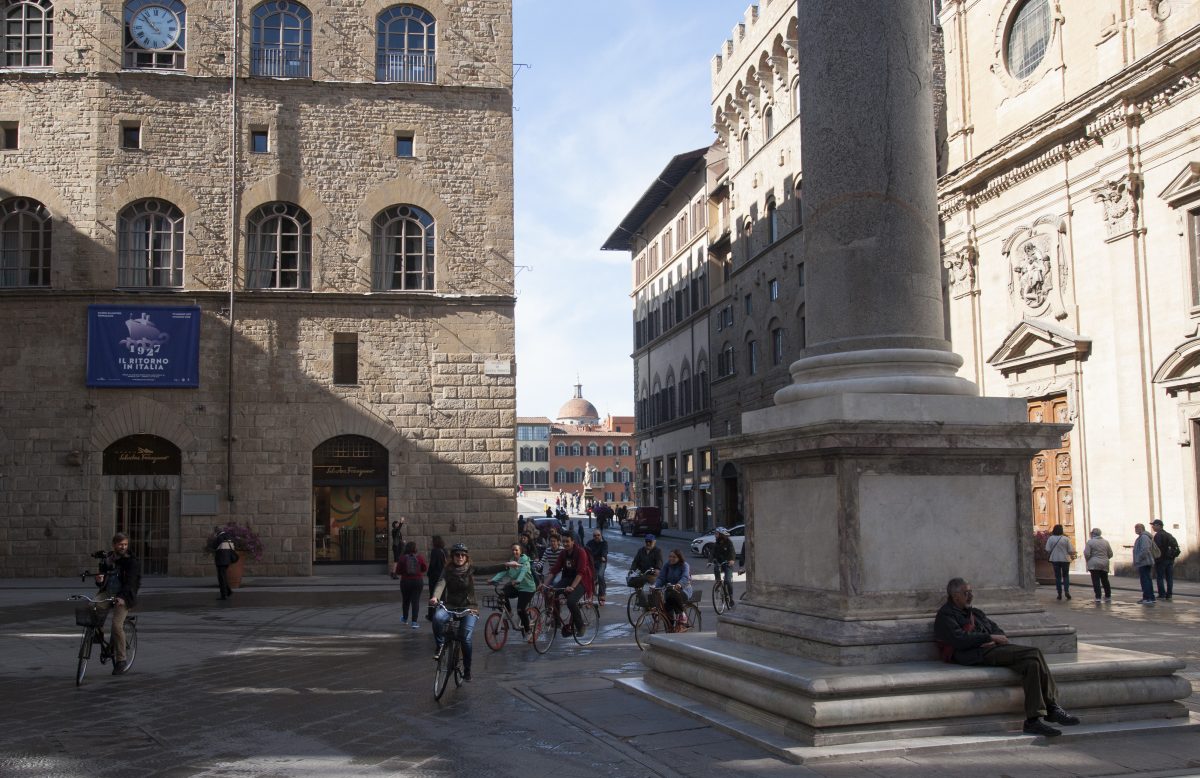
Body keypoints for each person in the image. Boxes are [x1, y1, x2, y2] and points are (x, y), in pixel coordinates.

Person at [934, 578, 1080, 737]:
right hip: (973, 654)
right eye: (966, 593)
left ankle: (1033, 721)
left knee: (1032, 664)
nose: (971, 596)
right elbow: (959, 640)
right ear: (955, 596)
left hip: (992, 649)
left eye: (971, 592)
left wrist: (992, 638)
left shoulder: (975, 613)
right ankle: (1051, 706)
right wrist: (987, 638)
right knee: (1034, 652)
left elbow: (999, 631)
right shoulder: (946, 615)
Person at [429, 543, 478, 681]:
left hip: (469, 608)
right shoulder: (448, 570)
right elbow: (440, 583)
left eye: (463, 555)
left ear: (466, 557)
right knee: (437, 618)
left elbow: (488, 569)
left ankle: (467, 670)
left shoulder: (471, 569)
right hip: (450, 606)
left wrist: (506, 565)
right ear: (452, 557)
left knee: (465, 638)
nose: (460, 557)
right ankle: (440, 646)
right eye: (457, 555)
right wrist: (435, 597)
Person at [95, 532, 141, 676]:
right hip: (108, 593)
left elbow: (131, 583)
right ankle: (98, 635)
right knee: (92, 608)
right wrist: (99, 580)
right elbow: (101, 581)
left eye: (125, 544)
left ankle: (121, 659)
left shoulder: (131, 561)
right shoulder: (108, 559)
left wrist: (122, 597)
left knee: (116, 625)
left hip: (124, 595)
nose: (123, 547)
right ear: (114, 545)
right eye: (120, 544)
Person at [546, 534, 594, 636]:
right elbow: (555, 569)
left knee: (571, 602)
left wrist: (572, 587)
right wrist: (544, 584)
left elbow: (581, 572)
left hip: (581, 581)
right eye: (563, 542)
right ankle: (557, 621)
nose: (565, 544)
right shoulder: (563, 553)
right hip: (567, 579)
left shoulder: (581, 552)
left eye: (567, 541)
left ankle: (580, 626)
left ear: (573, 541)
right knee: (552, 592)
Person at [490, 542, 536, 634]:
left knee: (520, 609)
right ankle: (510, 612)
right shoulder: (511, 562)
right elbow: (503, 572)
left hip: (527, 589)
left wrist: (518, 580)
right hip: (516, 587)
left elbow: (523, 572)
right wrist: (493, 580)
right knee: (502, 593)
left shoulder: (525, 561)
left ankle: (528, 631)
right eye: (513, 550)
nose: (514, 552)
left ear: (520, 551)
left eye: (516, 550)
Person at [654, 549, 693, 626]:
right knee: (666, 609)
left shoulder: (684, 565)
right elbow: (661, 578)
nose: (671, 558)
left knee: (673, 595)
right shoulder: (667, 565)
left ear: (679, 558)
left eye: (674, 557)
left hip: (684, 591)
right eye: (670, 556)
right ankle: (670, 628)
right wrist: (655, 586)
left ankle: (682, 614)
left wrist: (679, 584)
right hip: (670, 591)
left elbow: (685, 577)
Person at [397, 541, 427, 628]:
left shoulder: (402, 558)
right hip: (417, 581)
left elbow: (398, 571)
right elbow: (424, 568)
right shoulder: (419, 557)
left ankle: (405, 618)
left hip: (405, 581)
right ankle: (414, 622)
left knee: (406, 601)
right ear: (415, 548)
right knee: (415, 601)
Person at [1151, 519, 1180, 601]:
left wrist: (1156, 558)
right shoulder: (1168, 534)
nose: (1153, 527)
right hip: (1170, 559)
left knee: (1160, 577)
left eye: (1154, 525)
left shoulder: (1158, 535)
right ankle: (1169, 594)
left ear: (1159, 526)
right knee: (1169, 578)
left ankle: (1162, 594)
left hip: (1161, 560)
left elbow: (1157, 549)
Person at [1082, 527, 1113, 602]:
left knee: (1096, 580)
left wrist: (1088, 560)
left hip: (1094, 564)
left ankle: (1098, 596)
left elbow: (1087, 553)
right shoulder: (1106, 542)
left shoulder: (1090, 542)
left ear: (1093, 534)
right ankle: (1108, 595)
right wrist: (1105, 558)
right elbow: (1110, 554)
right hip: (1104, 563)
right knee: (1105, 580)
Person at [1044, 524, 1074, 601]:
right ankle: (1066, 591)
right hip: (1065, 559)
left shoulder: (1051, 538)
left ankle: (1059, 593)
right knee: (1065, 576)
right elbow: (1071, 550)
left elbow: (1047, 549)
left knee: (1058, 577)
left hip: (1055, 559)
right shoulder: (1065, 539)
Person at [207, 525, 237, 600]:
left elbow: (213, 546)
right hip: (228, 560)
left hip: (221, 561)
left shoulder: (219, 538)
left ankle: (224, 595)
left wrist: (213, 538)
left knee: (221, 578)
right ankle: (228, 591)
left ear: (217, 531)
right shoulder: (229, 537)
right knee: (223, 576)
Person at [1132, 523, 1157, 605]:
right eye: (1135, 528)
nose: (1135, 530)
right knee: (1147, 580)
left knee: (1145, 580)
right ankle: (1150, 597)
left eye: (1137, 528)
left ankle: (1148, 598)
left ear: (1141, 528)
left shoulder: (1144, 537)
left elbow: (1145, 549)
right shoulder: (1142, 537)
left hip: (1144, 562)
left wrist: (1138, 559)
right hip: (1144, 561)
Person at [713, 527, 737, 609]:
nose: (715, 535)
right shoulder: (716, 543)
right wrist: (710, 561)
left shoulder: (729, 542)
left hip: (728, 564)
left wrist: (732, 560)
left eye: (716, 534)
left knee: (727, 581)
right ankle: (718, 582)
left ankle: (731, 598)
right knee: (716, 567)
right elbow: (712, 553)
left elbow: (732, 552)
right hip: (720, 563)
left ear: (721, 535)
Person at [426, 535, 448, 621]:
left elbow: (432, 564)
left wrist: (428, 573)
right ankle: (443, 614)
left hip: (435, 576)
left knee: (433, 595)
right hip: (444, 576)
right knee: (442, 597)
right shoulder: (444, 551)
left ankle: (431, 615)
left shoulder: (435, 551)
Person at [585, 529, 609, 605]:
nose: (596, 537)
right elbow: (585, 550)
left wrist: (603, 556)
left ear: (601, 535)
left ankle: (602, 594)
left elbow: (605, 551)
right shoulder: (590, 543)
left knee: (600, 575)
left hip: (601, 562)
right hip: (592, 562)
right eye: (595, 535)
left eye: (598, 535)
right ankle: (589, 595)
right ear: (593, 536)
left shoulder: (604, 543)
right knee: (588, 576)